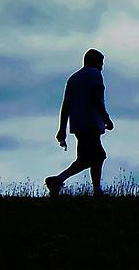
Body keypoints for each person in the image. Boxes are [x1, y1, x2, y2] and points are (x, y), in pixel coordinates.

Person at [45, 48, 114, 197]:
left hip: (78, 125)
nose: (102, 67)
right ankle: (93, 190)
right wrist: (106, 118)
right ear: (94, 62)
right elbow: (96, 99)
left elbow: (66, 105)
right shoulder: (95, 74)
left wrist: (62, 129)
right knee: (97, 156)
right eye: (100, 63)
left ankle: (60, 181)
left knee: (87, 158)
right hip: (91, 123)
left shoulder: (73, 78)